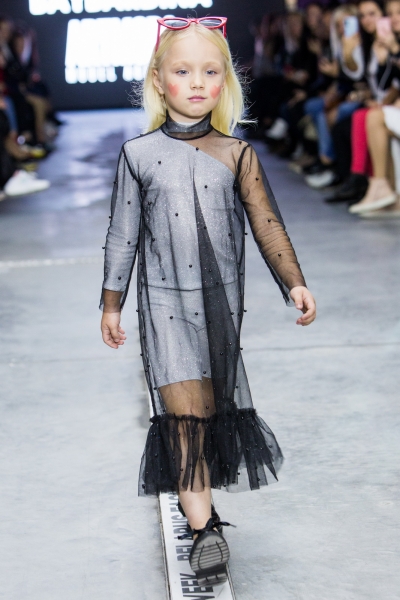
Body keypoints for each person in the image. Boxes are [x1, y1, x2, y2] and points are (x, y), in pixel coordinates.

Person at [100, 17, 316, 586]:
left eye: (210, 71)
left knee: (213, 410)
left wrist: (293, 280)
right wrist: (111, 303)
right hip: (163, 306)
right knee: (185, 417)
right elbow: (122, 234)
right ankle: (204, 528)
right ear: (158, 79)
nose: (197, 82)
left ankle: (206, 518)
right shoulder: (138, 155)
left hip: (220, 307)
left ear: (226, 82)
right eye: (183, 71)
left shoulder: (237, 154)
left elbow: (267, 223)